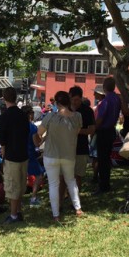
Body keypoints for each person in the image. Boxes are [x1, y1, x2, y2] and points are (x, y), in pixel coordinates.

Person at [35, 91, 83, 221]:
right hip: (69, 154)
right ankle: (78, 208)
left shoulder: (50, 116)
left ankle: (56, 214)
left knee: (53, 184)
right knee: (71, 181)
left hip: (51, 154)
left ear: (56, 103)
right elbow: (76, 132)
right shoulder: (77, 116)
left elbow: (39, 132)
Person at [0, 87, 29, 224]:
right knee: (21, 184)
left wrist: (4, 150)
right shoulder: (23, 115)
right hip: (24, 154)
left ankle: (14, 215)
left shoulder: (4, 117)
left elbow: (2, 138)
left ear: (4, 98)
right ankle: (19, 211)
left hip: (11, 155)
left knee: (12, 186)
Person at [94, 77, 122, 194]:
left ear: (104, 87)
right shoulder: (117, 99)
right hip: (111, 130)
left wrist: (94, 128)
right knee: (107, 159)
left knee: (102, 160)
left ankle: (103, 185)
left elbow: (100, 118)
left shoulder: (106, 101)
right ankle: (106, 183)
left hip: (103, 131)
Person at [69, 86, 96, 190]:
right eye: (72, 99)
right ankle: (66, 194)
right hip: (66, 148)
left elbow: (92, 130)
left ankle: (76, 196)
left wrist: (77, 131)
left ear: (81, 98)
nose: (74, 102)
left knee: (78, 175)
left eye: (76, 100)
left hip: (81, 147)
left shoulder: (87, 111)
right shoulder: (65, 110)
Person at [23, 105, 45, 207]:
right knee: (39, 175)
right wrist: (44, 138)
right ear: (30, 115)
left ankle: (19, 200)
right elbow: (37, 143)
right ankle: (33, 198)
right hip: (30, 155)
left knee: (21, 177)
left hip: (20, 155)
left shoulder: (18, 126)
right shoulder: (32, 127)